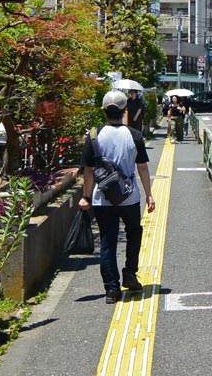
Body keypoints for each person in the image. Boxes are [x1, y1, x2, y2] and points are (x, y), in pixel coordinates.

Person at [79, 90, 156, 303]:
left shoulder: (94, 135)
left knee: (107, 241)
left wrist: (86, 196)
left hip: (102, 197)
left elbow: (88, 170)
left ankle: (111, 290)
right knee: (134, 232)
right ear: (124, 111)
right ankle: (130, 274)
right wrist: (149, 194)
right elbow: (142, 167)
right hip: (129, 196)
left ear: (104, 110)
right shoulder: (134, 135)